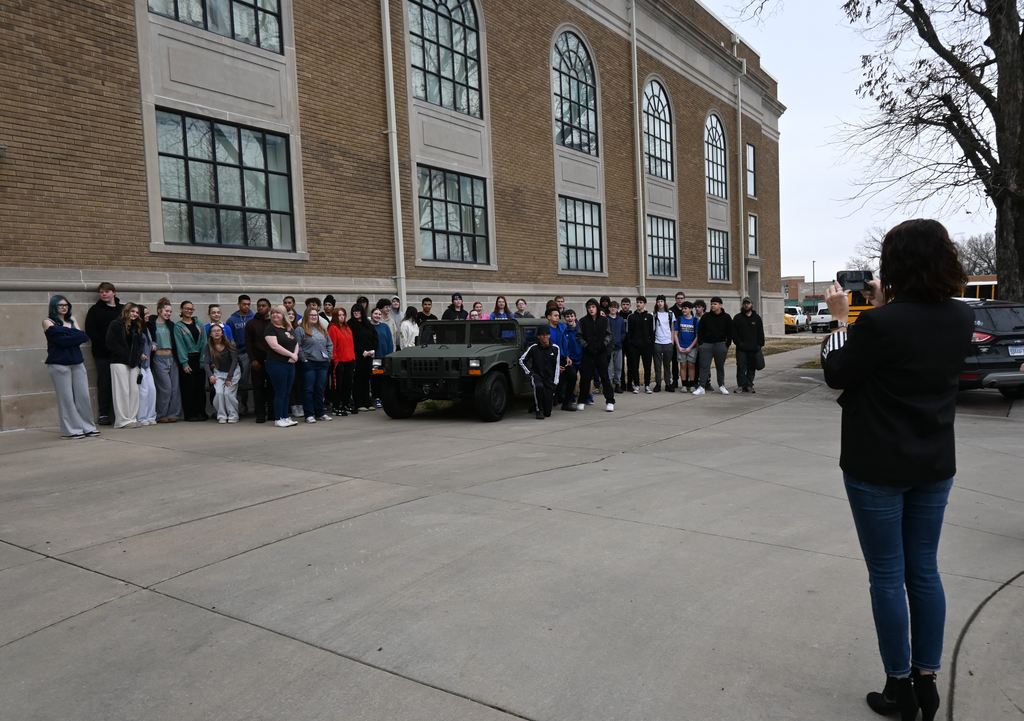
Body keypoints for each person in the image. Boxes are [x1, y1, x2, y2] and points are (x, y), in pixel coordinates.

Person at [822, 219, 973, 721]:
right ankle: (926, 680)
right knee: (924, 569)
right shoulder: (957, 317)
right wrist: (886, 308)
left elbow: (837, 372)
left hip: (876, 464)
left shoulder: (879, 324)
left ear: (895, 265)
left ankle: (899, 687)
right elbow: (911, 343)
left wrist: (842, 321)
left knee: (887, 574)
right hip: (933, 461)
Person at [43, 295, 99, 439]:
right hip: (58, 364)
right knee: (66, 398)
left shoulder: (71, 320)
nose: (64, 307)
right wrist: (74, 334)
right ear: (54, 306)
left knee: (83, 397)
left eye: (66, 305)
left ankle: (88, 427)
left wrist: (68, 334)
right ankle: (71, 430)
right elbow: (62, 342)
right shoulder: (47, 322)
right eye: (60, 305)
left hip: (77, 362)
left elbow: (84, 337)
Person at [84, 281, 124, 425]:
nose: (104, 294)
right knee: (105, 383)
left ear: (114, 292)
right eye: (101, 292)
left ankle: (123, 413)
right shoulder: (95, 310)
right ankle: (104, 414)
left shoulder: (122, 309)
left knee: (122, 384)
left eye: (107, 291)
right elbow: (91, 331)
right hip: (103, 353)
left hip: (121, 354)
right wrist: (108, 345)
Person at [106, 302, 147, 429]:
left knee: (134, 391)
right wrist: (127, 356)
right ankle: (122, 420)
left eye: (137, 312)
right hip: (119, 362)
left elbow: (140, 344)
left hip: (133, 363)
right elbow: (110, 343)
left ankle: (132, 418)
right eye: (132, 311)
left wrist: (137, 356)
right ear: (126, 311)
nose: (134, 314)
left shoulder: (137, 326)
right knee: (122, 391)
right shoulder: (116, 324)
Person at [295, 307, 333, 423]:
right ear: (306, 316)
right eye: (311, 315)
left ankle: (320, 413)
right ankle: (309, 414)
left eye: (315, 315)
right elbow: (298, 345)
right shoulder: (300, 330)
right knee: (308, 389)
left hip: (322, 363)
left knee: (320, 389)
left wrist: (329, 356)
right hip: (309, 363)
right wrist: (303, 359)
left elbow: (329, 344)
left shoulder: (322, 329)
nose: (313, 317)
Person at [263, 305, 299, 428]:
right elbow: (275, 346)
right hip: (276, 364)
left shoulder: (288, 327)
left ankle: (285, 416)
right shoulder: (270, 329)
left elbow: (296, 342)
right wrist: (291, 355)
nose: (275, 315)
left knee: (287, 391)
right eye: (273, 313)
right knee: (280, 391)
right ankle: (278, 418)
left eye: (278, 313)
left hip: (289, 364)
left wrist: (294, 355)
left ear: (283, 315)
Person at [576, 298, 615, 412]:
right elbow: (579, 336)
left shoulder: (604, 320)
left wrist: (603, 344)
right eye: (589, 308)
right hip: (588, 353)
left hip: (601, 352)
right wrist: (586, 345)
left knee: (605, 377)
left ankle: (610, 401)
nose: (591, 309)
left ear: (597, 308)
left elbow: (609, 334)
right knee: (585, 378)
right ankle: (582, 400)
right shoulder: (583, 321)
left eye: (593, 307)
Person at [173, 300, 208, 421]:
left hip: (200, 358)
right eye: (186, 308)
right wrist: (184, 362)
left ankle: (201, 412)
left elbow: (204, 341)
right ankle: (190, 414)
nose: (189, 311)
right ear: (181, 310)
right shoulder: (178, 326)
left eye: (191, 309)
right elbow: (180, 345)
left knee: (200, 387)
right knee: (189, 387)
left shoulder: (198, 323)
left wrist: (203, 359)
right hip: (188, 358)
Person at [148, 298, 180, 423]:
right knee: (165, 387)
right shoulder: (151, 323)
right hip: (159, 358)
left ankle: (174, 414)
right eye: (166, 311)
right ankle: (161, 414)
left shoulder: (171, 325)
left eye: (170, 312)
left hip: (172, 358)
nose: (168, 313)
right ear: (159, 311)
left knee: (174, 388)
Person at [519, 324, 560, 419]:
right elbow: (521, 360)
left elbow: (557, 366)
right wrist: (530, 373)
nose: (544, 337)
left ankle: (536, 404)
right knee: (539, 386)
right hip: (537, 376)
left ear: (549, 335)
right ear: (538, 336)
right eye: (541, 335)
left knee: (548, 413)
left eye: (546, 334)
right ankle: (538, 410)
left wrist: (555, 382)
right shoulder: (533, 348)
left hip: (549, 378)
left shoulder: (555, 348)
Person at [694, 296, 732, 396]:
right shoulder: (706, 317)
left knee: (720, 366)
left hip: (720, 345)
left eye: (715, 304)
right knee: (704, 366)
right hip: (706, 345)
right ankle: (701, 387)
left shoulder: (726, 317)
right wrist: (701, 344)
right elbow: (700, 331)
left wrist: (727, 344)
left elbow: (730, 332)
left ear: (720, 305)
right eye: (711, 304)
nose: (712, 305)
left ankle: (721, 386)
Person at [203, 323, 240, 423]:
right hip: (218, 373)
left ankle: (233, 415)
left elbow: (234, 361)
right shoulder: (208, 346)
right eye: (214, 331)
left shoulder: (230, 344)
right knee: (219, 392)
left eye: (218, 331)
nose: (216, 333)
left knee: (228, 393)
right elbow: (206, 363)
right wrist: (210, 375)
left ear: (222, 333)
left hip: (232, 372)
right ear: (210, 334)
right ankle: (221, 415)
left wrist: (229, 378)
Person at [245, 298, 274, 423]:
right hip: (257, 361)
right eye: (259, 306)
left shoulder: (273, 322)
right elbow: (248, 343)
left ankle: (273, 413)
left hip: (273, 361)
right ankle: (260, 414)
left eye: (263, 305)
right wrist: (253, 360)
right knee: (258, 388)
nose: (261, 308)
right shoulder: (251, 323)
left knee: (272, 388)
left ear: (269, 307)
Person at [226, 295, 254, 415]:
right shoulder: (232, 319)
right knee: (238, 380)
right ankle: (239, 406)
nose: (246, 306)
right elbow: (229, 338)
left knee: (247, 380)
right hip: (237, 353)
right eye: (244, 304)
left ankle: (246, 405)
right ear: (239, 304)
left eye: (248, 304)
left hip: (251, 353)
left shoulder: (253, 317)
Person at [732, 297, 765, 393]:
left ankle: (749, 385)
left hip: (754, 348)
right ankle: (741, 386)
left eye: (748, 303)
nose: (746, 305)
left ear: (752, 305)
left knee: (751, 367)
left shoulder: (757, 318)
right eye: (744, 303)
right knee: (741, 368)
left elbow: (760, 333)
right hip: (741, 349)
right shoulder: (737, 318)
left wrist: (759, 345)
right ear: (742, 305)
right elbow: (734, 333)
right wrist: (739, 343)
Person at [349, 304, 377, 412]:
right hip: (358, 356)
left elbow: (374, 337)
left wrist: (373, 350)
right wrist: (362, 351)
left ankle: (367, 401)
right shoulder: (350, 324)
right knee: (358, 379)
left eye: (358, 311)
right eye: (354, 311)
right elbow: (353, 340)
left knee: (366, 379)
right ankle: (359, 402)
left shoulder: (367, 324)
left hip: (369, 355)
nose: (356, 313)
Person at [328, 307, 355, 415]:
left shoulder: (347, 328)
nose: (342, 317)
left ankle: (345, 404)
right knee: (338, 385)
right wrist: (335, 360)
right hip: (339, 361)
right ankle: (336, 406)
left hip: (350, 359)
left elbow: (351, 344)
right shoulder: (333, 328)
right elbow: (332, 345)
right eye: (339, 315)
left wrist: (353, 358)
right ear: (335, 316)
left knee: (348, 384)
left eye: (343, 315)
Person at [625, 296, 654, 394]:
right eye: (637, 302)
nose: (638, 304)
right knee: (634, 366)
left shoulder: (650, 316)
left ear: (644, 304)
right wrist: (631, 344)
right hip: (634, 347)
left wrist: (650, 343)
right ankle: (636, 385)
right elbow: (628, 332)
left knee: (647, 366)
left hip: (646, 346)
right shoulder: (631, 316)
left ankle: (647, 385)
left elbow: (652, 332)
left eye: (641, 302)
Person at [136, 305, 158, 427]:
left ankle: (151, 415)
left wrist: (154, 344)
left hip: (147, 365)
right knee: (143, 391)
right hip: (140, 365)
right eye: (145, 314)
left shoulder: (147, 327)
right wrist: (139, 354)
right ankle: (142, 417)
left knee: (152, 390)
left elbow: (151, 340)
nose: (148, 316)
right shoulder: (136, 328)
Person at [557, 309, 582, 411]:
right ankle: (570, 399)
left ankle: (586, 398)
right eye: (567, 316)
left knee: (585, 379)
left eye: (572, 316)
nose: (570, 318)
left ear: (575, 317)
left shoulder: (580, 329)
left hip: (581, 357)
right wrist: (567, 356)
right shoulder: (564, 330)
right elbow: (564, 345)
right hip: (570, 359)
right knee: (571, 379)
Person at [370, 307, 394, 409]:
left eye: (379, 314)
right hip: (375, 359)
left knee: (384, 377)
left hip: (385, 358)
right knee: (376, 377)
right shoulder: (369, 327)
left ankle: (384, 397)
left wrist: (389, 355)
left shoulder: (385, 327)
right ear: (371, 315)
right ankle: (376, 397)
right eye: (375, 314)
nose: (377, 316)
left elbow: (390, 342)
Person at [673, 302, 699, 392]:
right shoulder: (679, 319)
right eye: (683, 308)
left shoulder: (695, 320)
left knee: (691, 365)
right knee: (683, 365)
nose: (683, 310)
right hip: (681, 347)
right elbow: (675, 334)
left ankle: (692, 385)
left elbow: (697, 336)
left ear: (691, 309)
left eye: (686, 308)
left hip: (692, 348)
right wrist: (678, 346)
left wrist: (690, 347)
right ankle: (684, 385)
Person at [651, 295, 674, 392]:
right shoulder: (654, 314)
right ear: (656, 303)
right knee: (657, 365)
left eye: (661, 301)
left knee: (667, 365)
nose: (660, 303)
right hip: (657, 343)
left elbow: (672, 328)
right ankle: (658, 384)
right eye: (658, 301)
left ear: (664, 302)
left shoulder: (670, 314)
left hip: (668, 342)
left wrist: (672, 341)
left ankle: (668, 384)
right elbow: (652, 328)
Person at [606, 300, 626, 394]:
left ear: (617, 309)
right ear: (609, 308)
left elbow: (623, 332)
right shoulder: (606, 319)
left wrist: (620, 340)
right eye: (611, 307)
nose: (613, 308)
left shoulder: (620, 319)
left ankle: (617, 384)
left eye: (615, 307)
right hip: (608, 347)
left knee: (618, 366)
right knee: (609, 367)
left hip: (618, 347)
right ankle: (609, 385)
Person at [669, 291, 687, 391]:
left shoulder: (687, 309)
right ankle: (675, 380)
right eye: (678, 298)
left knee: (686, 362)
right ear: (675, 299)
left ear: (684, 299)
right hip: (674, 339)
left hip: (685, 339)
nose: (680, 300)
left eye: (681, 298)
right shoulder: (671, 310)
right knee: (675, 361)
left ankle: (687, 381)